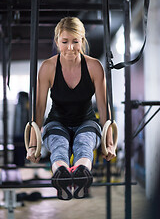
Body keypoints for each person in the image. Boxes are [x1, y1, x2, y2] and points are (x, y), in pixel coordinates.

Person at [26, 17, 116, 200]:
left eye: (75, 41)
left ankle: (82, 175)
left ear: (82, 40)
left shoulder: (94, 67)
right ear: (57, 40)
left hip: (86, 122)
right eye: (64, 41)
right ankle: (62, 177)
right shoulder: (48, 68)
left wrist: (109, 143)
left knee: (84, 142)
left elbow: (103, 107)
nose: (70, 48)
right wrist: (33, 145)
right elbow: (40, 108)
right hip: (56, 122)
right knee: (59, 145)